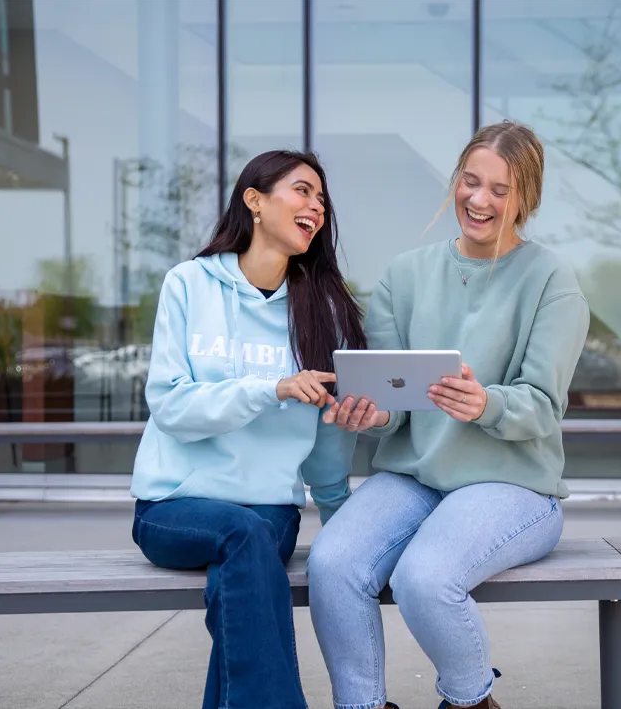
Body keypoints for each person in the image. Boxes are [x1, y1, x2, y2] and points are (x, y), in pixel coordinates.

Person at [307, 121, 590, 709]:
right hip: (414, 478)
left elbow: (541, 406)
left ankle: (470, 702)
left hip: (512, 486)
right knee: (332, 562)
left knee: (425, 577)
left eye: (500, 190)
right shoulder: (405, 276)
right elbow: (393, 407)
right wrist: (370, 416)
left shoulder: (552, 282)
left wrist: (487, 404)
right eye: (470, 182)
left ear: (525, 199)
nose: (479, 200)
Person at [130, 150, 366, 709]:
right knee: (243, 543)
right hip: (174, 506)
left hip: (268, 514)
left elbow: (329, 449)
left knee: (243, 571)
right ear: (254, 201)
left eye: (322, 199)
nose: (317, 206)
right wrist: (274, 388)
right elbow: (172, 408)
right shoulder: (189, 284)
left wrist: (348, 534)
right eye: (303, 191)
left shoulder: (323, 311)